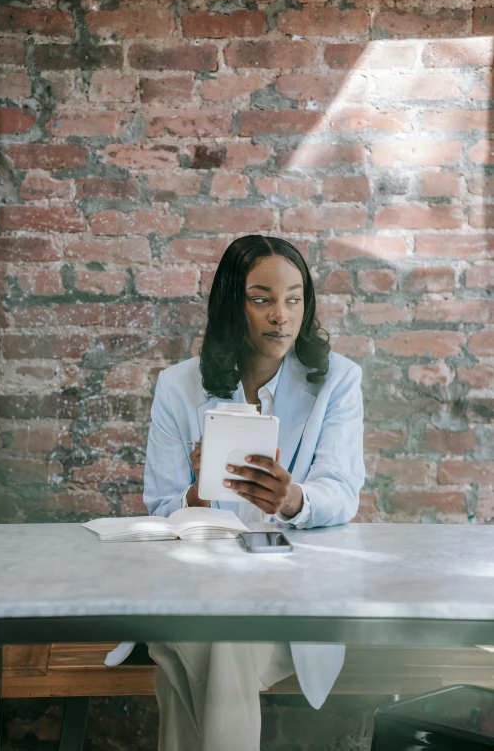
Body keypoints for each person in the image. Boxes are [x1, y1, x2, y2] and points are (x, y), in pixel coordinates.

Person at [143, 235, 365, 750]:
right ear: (230, 303)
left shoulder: (337, 382)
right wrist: (196, 496)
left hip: (291, 594)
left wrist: (292, 499)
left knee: (202, 650)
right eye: (261, 299)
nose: (280, 317)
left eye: (294, 299)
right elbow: (160, 507)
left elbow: (341, 491)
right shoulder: (177, 388)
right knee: (217, 634)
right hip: (198, 588)